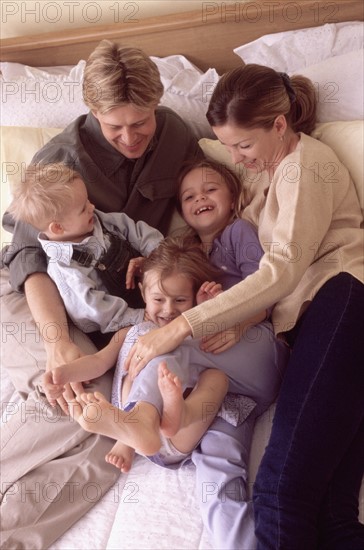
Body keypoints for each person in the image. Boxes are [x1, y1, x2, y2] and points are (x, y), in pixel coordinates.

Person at [123, 65, 364, 549]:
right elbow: (238, 269)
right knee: (332, 515)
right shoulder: (265, 179)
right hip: (312, 320)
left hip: (341, 299)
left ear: (279, 124)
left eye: (244, 146)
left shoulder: (306, 165)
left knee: (278, 496)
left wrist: (180, 328)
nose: (236, 158)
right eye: (226, 147)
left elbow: (283, 270)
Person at [0, 39, 203, 549]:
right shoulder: (59, 162)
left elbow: (201, 194)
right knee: (61, 404)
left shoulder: (174, 133)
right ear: (92, 110)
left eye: (142, 122)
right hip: (42, 297)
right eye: (116, 127)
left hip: (118, 312)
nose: (131, 137)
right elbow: (28, 263)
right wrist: (55, 341)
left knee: (116, 434)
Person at [57, 158, 289, 549]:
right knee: (218, 467)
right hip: (227, 392)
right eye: (189, 195)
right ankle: (243, 544)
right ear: (180, 209)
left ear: (233, 196)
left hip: (251, 349)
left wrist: (237, 321)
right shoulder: (181, 248)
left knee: (157, 336)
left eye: (211, 189)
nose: (200, 198)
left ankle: (138, 424)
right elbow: (162, 285)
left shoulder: (237, 233)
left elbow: (265, 291)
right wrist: (148, 266)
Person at [42, 236, 228, 473]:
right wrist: (61, 375)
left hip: (177, 433)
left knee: (217, 378)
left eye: (180, 300)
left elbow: (220, 342)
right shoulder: (129, 333)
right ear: (143, 293)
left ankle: (136, 433)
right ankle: (130, 431)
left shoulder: (187, 334)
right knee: (156, 353)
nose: (169, 309)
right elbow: (98, 363)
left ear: (192, 298)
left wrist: (207, 309)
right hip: (136, 424)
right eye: (159, 299)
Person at [7, 162, 163, 337]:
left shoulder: (96, 221)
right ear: (58, 228)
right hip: (119, 323)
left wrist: (159, 254)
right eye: (83, 208)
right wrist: (137, 317)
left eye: (87, 200)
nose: (92, 207)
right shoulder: (64, 268)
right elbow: (94, 308)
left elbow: (132, 228)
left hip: (148, 289)